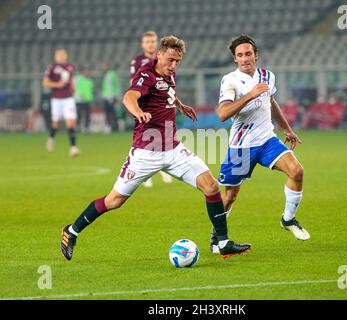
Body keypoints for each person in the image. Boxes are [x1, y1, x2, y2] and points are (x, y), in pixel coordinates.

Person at [61, 35, 251, 261]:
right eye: (170, 60)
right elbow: (128, 97)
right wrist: (137, 111)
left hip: (173, 149)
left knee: (211, 187)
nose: (173, 65)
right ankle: (71, 231)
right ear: (159, 54)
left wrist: (180, 105)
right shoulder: (145, 74)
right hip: (146, 152)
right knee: (114, 201)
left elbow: (166, 93)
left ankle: (222, 242)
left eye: (177, 61)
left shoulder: (169, 74)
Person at [211, 34, 310, 253]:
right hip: (241, 148)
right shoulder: (230, 80)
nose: (245, 58)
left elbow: (271, 101)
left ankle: (288, 219)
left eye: (248, 54)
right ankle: (217, 237)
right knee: (229, 197)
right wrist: (249, 95)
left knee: (297, 171)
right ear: (235, 59)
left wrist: (286, 129)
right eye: (240, 55)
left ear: (256, 55)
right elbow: (222, 113)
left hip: (267, 141)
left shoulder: (267, 76)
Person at [130, 30, 173, 187]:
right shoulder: (138, 62)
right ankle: (145, 172)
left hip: (162, 104)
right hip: (145, 105)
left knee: (165, 137)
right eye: (147, 42)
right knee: (147, 136)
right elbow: (134, 84)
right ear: (143, 44)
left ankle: (163, 169)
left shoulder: (164, 60)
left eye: (153, 41)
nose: (150, 44)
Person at [43, 48, 80, 157]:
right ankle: (51, 138)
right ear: (55, 56)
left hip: (68, 99)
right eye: (58, 54)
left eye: (62, 54)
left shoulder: (71, 67)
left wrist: (73, 89)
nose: (60, 56)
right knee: (55, 124)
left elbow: (72, 81)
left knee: (71, 123)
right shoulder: (52, 68)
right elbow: (45, 82)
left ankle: (73, 148)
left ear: (66, 55)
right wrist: (57, 85)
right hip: (56, 99)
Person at [101, 63, 120, 132]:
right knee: (109, 112)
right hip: (106, 96)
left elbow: (115, 86)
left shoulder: (111, 74)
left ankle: (113, 126)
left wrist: (114, 96)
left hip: (110, 97)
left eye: (104, 66)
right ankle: (111, 126)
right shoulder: (106, 75)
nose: (103, 68)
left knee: (110, 112)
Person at [75, 67, 94, 133]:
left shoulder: (89, 81)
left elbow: (90, 90)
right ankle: (77, 127)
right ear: (82, 72)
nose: (87, 73)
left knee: (87, 115)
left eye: (87, 71)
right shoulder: (77, 78)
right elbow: (74, 87)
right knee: (78, 114)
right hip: (79, 100)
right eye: (85, 71)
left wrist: (90, 97)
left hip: (87, 100)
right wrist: (79, 94)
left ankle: (86, 128)